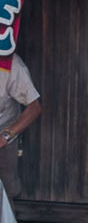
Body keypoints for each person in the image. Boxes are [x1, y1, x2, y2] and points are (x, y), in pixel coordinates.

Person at [0, 55, 42, 199]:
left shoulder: (13, 65)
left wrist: (5, 137)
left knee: (5, 192)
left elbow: (34, 108)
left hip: (4, 135)